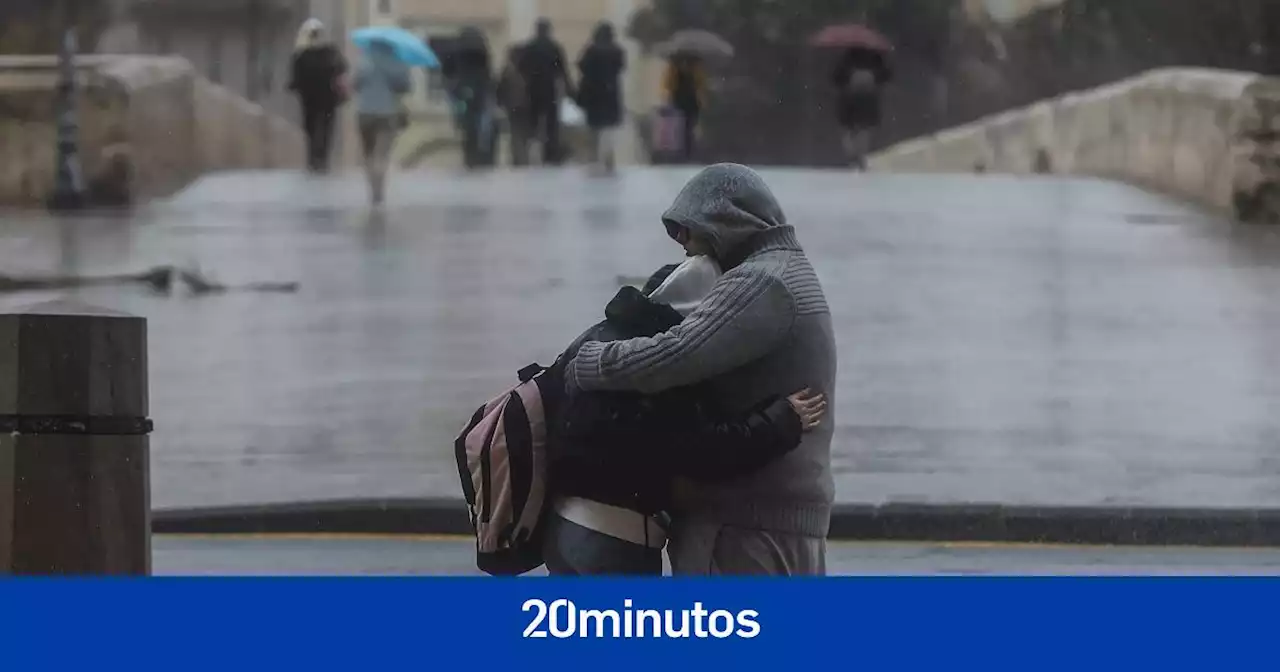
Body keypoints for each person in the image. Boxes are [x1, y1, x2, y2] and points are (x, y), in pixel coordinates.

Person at [566, 163, 837, 576]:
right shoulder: (789, 270)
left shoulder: (760, 282)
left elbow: (673, 356)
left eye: (688, 231)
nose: (686, 248)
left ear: (725, 220)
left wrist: (587, 363)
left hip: (744, 527)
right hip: (778, 516)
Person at [353, 40, 411, 205]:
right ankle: (379, 192)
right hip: (387, 112)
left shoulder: (364, 61)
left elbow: (355, 84)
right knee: (382, 154)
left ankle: (372, 189)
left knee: (368, 154)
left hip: (364, 112)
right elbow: (406, 86)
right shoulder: (397, 62)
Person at [289, 19, 348, 173]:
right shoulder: (331, 51)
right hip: (329, 98)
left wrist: (295, 87)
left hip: (309, 99)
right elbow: (343, 67)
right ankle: (323, 158)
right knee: (327, 128)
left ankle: (312, 158)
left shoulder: (301, 54)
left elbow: (295, 79)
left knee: (310, 128)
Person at [518, 18, 574, 165]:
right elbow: (562, 71)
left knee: (533, 123)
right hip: (550, 89)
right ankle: (550, 154)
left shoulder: (529, 48)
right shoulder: (554, 48)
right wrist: (570, 90)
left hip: (532, 89)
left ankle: (531, 154)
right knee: (551, 124)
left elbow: (521, 68)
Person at [575, 22, 626, 176]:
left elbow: (581, 66)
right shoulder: (617, 51)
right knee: (609, 130)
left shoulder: (591, 51)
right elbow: (621, 68)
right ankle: (608, 159)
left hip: (594, 97)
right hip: (610, 96)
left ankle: (594, 159)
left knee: (594, 130)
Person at [831, 47, 891, 171]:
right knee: (865, 129)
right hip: (869, 98)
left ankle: (852, 155)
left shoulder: (847, 57)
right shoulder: (875, 57)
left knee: (847, 128)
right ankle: (861, 156)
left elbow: (836, 78)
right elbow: (886, 76)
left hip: (849, 98)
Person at [444, 27, 496, 169]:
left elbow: (448, 72)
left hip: (461, 92)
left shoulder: (455, 52)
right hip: (479, 93)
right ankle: (481, 151)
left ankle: (469, 151)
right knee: (482, 123)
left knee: (463, 119)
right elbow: (488, 75)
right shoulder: (482, 53)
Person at [662, 53, 706, 163]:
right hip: (679, 102)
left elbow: (700, 85)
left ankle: (688, 152)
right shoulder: (674, 70)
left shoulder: (696, 70)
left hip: (691, 102)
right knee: (678, 128)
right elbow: (668, 85)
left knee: (689, 128)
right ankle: (680, 152)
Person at [496, 45, 532, 166]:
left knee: (517, 134)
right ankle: (521, 158)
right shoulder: (527, 71)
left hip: (513, 107)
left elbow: (500, 90)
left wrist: (501, 102)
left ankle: (519, 158)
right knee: (522, 134)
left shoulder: (507, 72)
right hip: (524, 106)